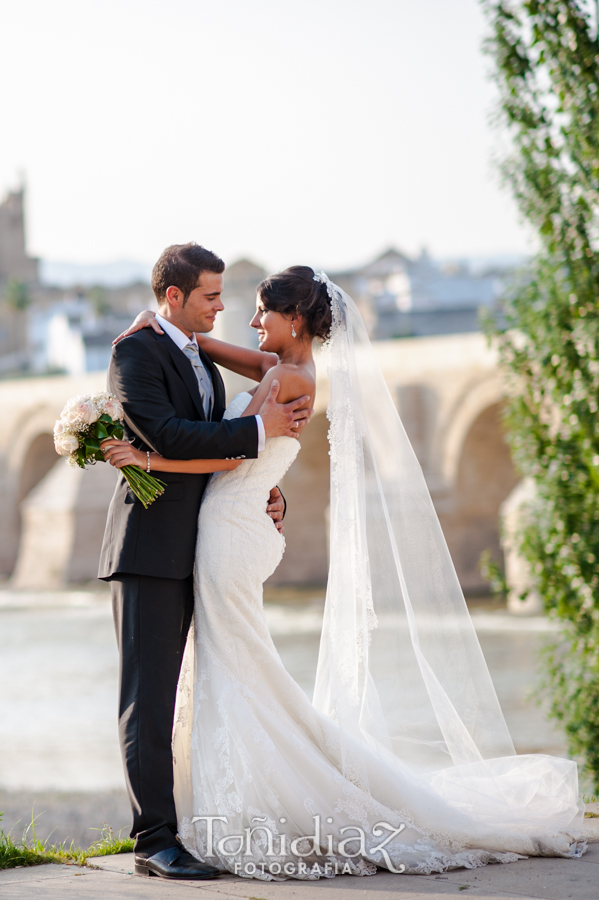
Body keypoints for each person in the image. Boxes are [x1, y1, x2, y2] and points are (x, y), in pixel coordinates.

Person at [105, 266, 587, 882]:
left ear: (296, 319)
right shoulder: (287, 371)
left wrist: (145, 456)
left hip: (228, 536)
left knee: (242, 673)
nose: (250, 322)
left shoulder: (283, 377)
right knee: (241, 672)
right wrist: (170, 332)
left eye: (261, 312)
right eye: (227, 303)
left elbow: (233, 448)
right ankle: (228, 812)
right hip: (233, 525)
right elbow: (233, 389)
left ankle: (233, 815)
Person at [98, 243, 311, 881]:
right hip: (150, 552)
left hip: (202, 548)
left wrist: (265, 490)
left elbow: (217, 448)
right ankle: (154, 842)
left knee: (194, 696)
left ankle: (190, 824)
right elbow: (166, 434)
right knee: (150, 700)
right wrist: (258, 436)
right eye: (212, 297)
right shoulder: (134, 352)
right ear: (174, 297)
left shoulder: (196, 355)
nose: (222, 307)